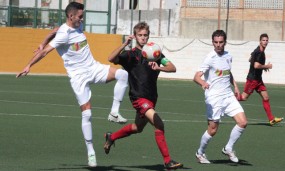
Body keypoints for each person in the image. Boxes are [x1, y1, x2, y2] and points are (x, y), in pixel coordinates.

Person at [16, 2, 129, 167]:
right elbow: (46, 51)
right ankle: (90, 151)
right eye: (80, 16)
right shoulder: (64, 34)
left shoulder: (77, 24)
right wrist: (28, 65)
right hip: (78, 77)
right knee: (87, 114)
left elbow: (52, 31)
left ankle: (114, 112)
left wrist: (43, 40)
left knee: (123, 74)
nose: (82, 19)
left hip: (93, 68)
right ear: (71, 16)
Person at [103, 21, 183, 170]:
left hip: (152, 97)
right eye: (140, 35)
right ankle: (168, 161)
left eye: (145, 35)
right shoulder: (130, 55)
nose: (143, 38)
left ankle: (111, 137)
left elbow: (172, 67)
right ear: (135, 36)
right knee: (159, 124)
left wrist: (159, 66)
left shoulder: (155, 53)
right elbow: (111, 58)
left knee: (137, 128)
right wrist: (124, 44)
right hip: (138, 98)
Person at [193, 30, 247, 164]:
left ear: (225, 42)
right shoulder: (210, 58)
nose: (218, 45)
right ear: (212, 43)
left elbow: (228, 73)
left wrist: (235, 86)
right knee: (213, 130)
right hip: (214, 98)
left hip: (228, 95)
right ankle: (200, 153)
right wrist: (203, 83)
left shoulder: (229, 56)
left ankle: (228, 148)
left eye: (221, 42)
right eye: (216, 42)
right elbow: (196, 77)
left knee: (243, 122)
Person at [236, 33, 283, 126]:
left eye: (266, 40)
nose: (265, 42)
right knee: (243, 98)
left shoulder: (257, 51)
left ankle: (271, 119)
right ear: (260, 41)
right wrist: (267, 66)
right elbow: (256, 65)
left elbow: (250, 59)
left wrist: (262, 67)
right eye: (263, 40)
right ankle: (225, 101)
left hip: (258, 80)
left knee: (266, 97)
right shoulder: (259, 52)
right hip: (252, 80)